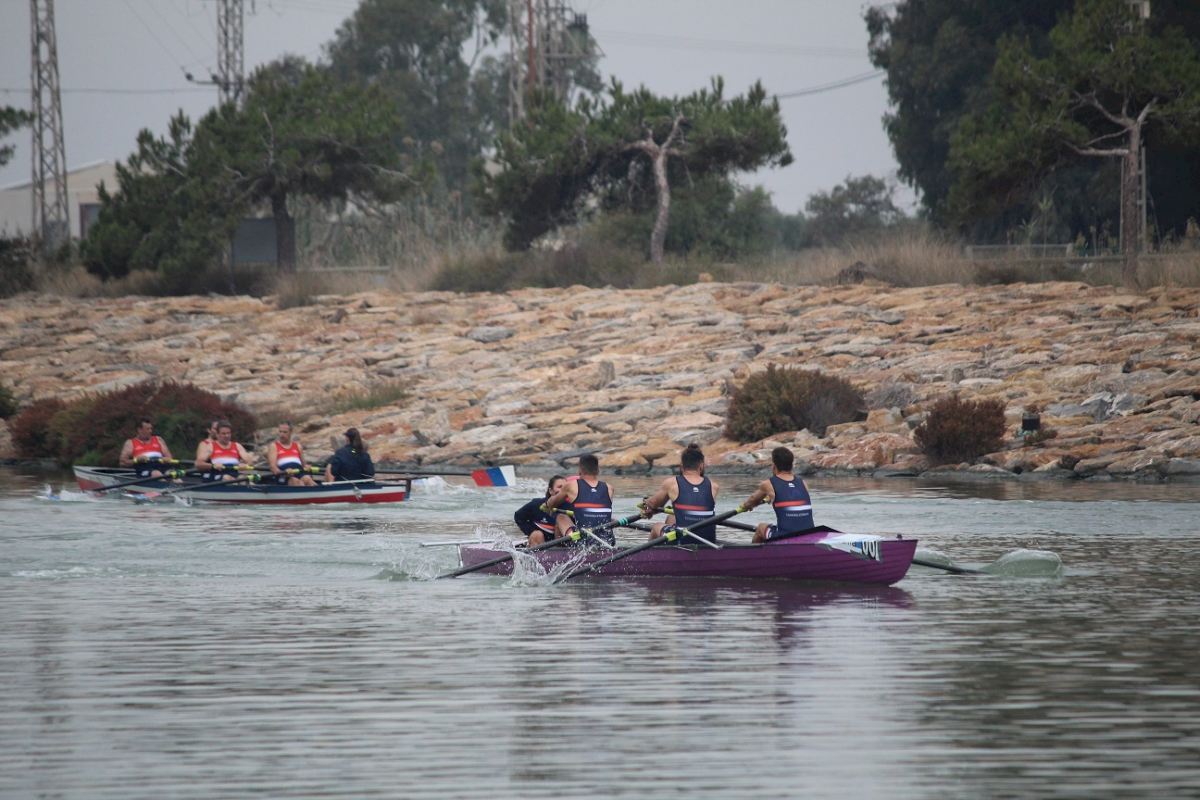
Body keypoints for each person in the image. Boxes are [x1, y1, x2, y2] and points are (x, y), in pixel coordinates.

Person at [641, 443, 720, 543]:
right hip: (708, 539)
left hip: (683, 539)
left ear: (681, 466)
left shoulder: (672, 483)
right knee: (671, 517)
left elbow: (653, 504)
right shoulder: (713, 486)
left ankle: (652, 553)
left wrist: (647, 506)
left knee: (656, 527)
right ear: (701, 466)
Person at [735, 446, 814, 543]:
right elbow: (790, 496)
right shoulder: (803, 483)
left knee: (760, 528)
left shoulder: (768, 484)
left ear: (774, 465)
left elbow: (752, 500)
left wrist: (746, 506)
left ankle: (754, 552)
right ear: (792, 465)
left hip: (785, 536)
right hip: (810, 534)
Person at [542, 454, 614, 545]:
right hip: (608, 541)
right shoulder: (609, 488)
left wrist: (546, 505)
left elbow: (552, 503)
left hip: (584, 543)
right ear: (598, 470)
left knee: (561, 517)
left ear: (580, 470)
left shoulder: (571, 485)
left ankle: (564, 548)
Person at [514, 475, 567, 546]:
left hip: (561, 543)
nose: (563, 490)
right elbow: (518, 516)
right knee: (537, 534)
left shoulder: (571, 506)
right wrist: (530, 532)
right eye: (559, 487)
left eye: (565, 488)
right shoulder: (536, 504)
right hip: (539, 542)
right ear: (551, 491)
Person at [268, 421, 317, 487]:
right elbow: (273, 468)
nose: (281, 435)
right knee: (295, 481)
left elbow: (304, 465)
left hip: (299, 472)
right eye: (280, 432)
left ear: (291, 432)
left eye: (285, 432)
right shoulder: (274, 446)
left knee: (308, 479)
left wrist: (307, 467)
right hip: (284, 475)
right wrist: (283, 472)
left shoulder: (297, 446)